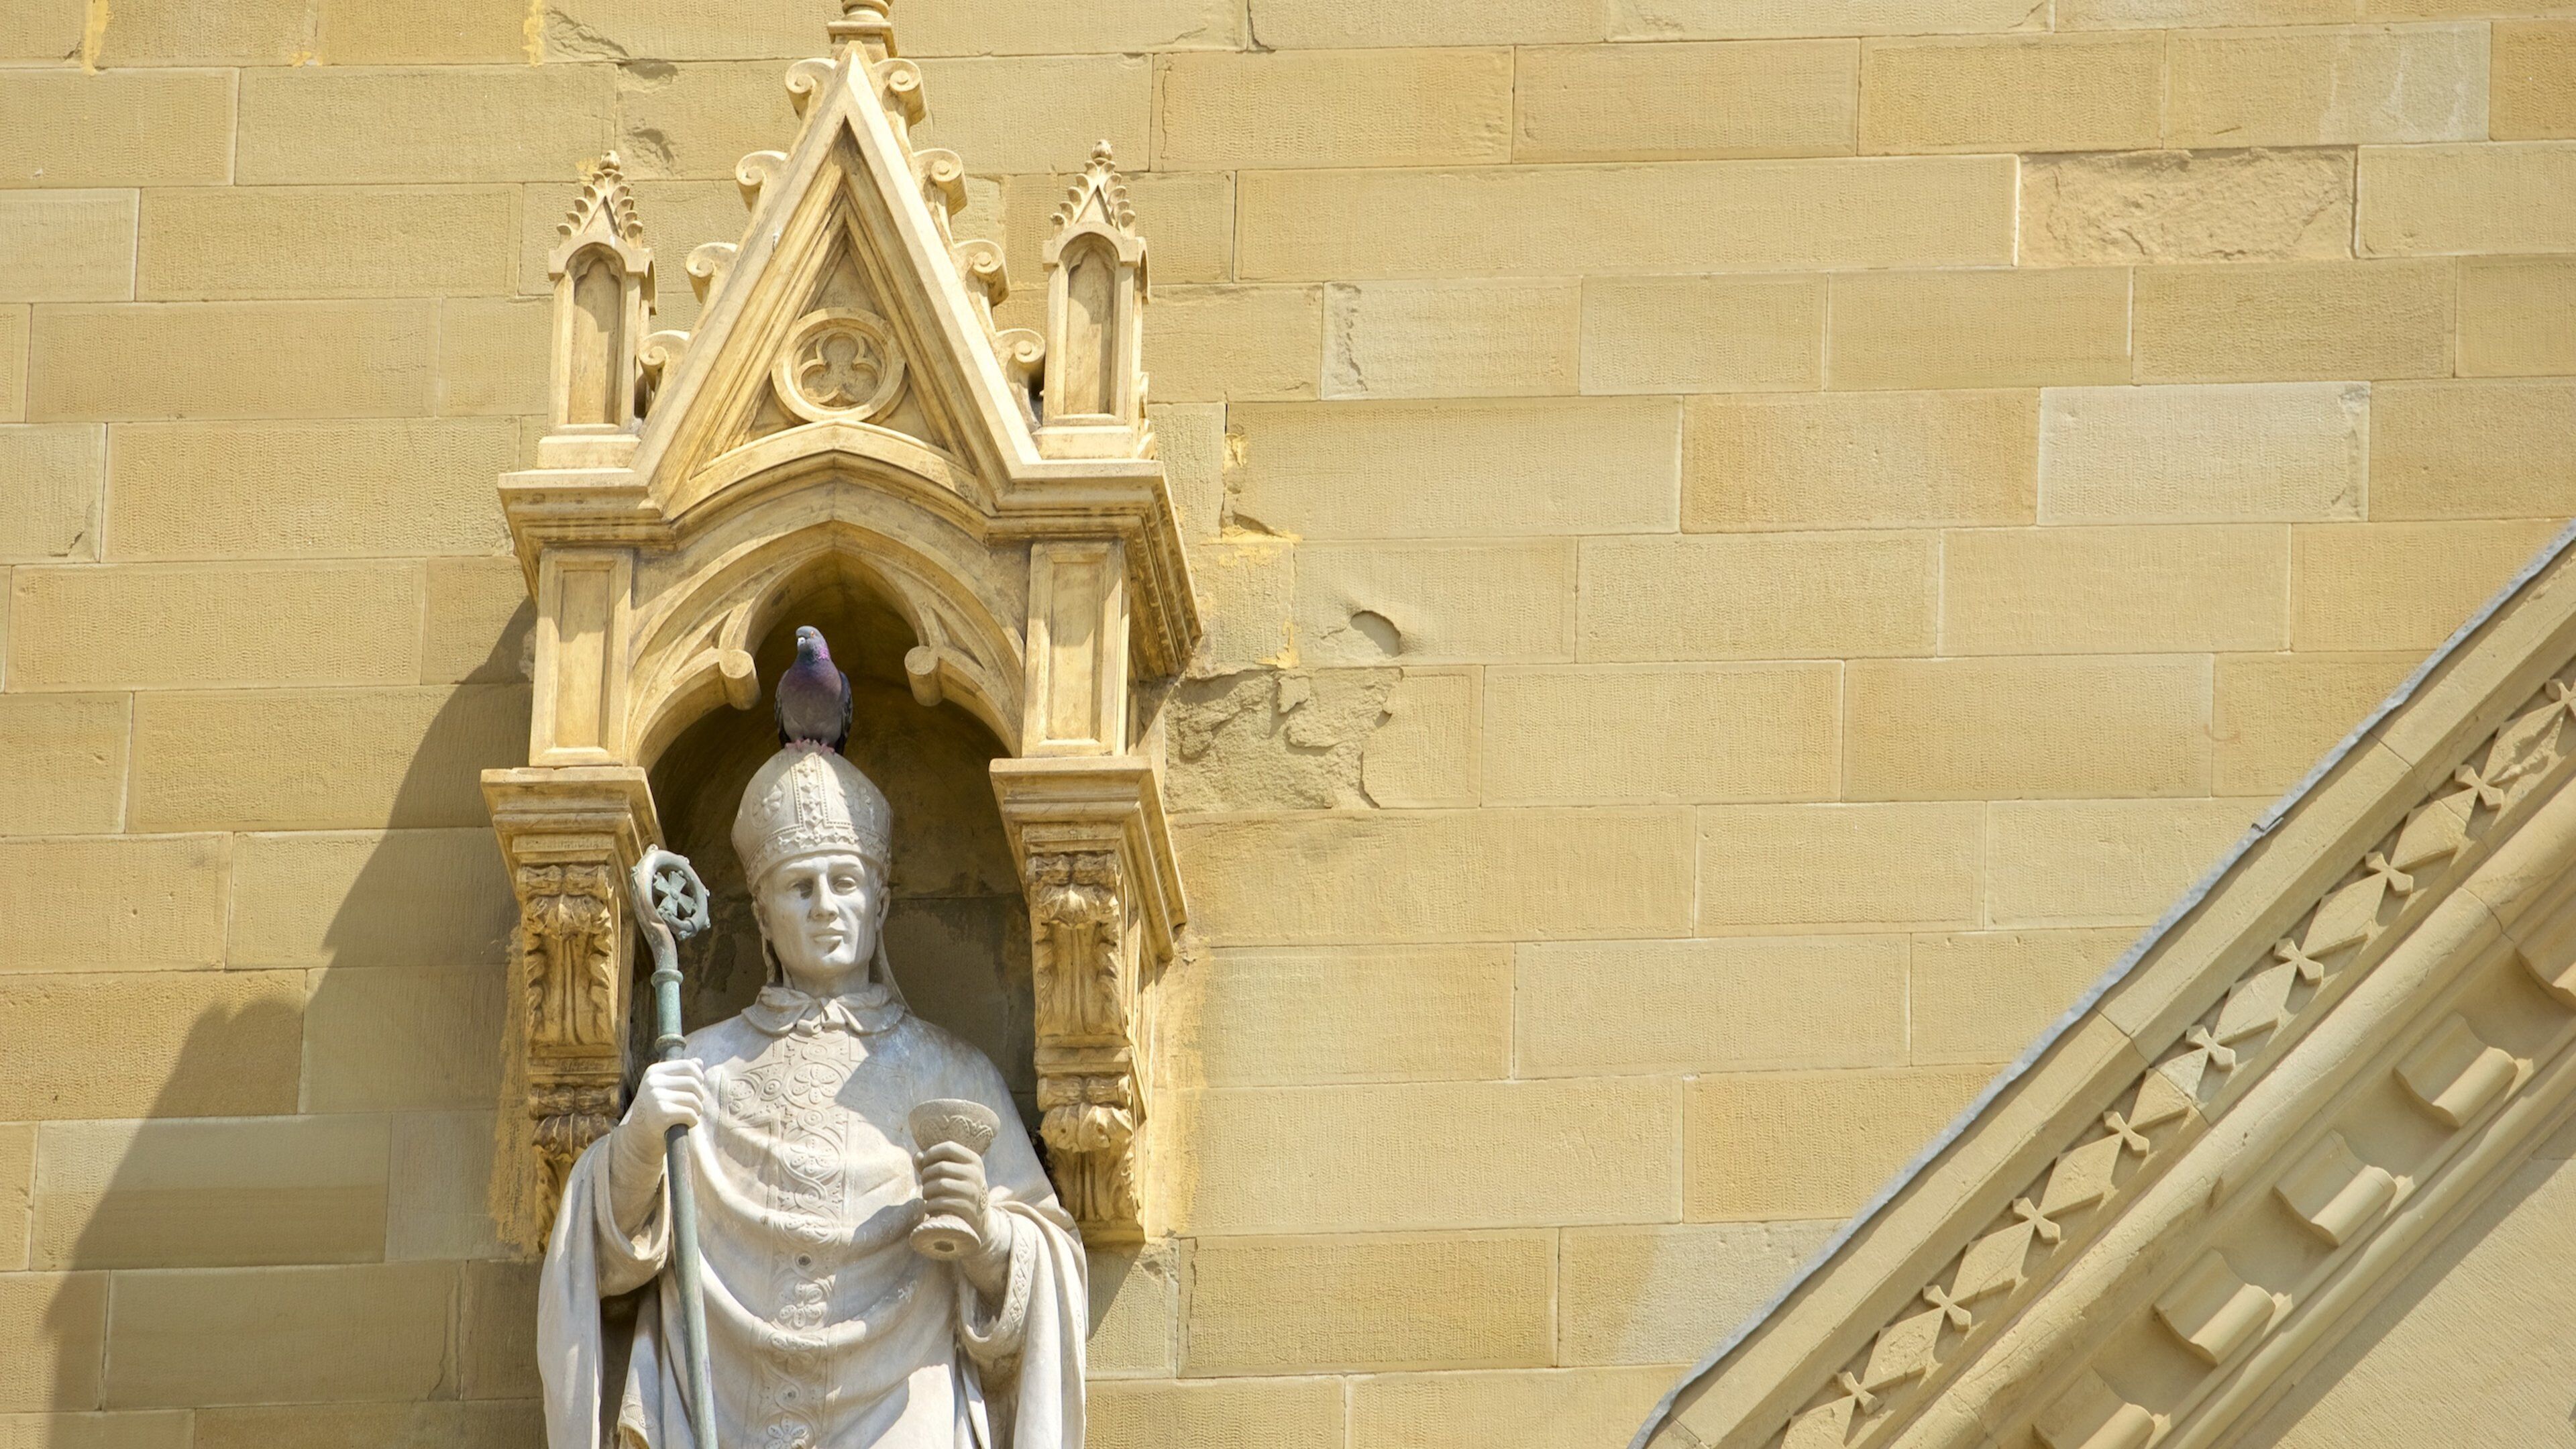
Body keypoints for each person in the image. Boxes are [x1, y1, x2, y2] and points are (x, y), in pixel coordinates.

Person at [539, 744, 1087, 1449]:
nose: (826, 906)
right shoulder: (701, 1067)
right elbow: (606, 1265)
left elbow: (1053, 1262)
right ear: (763, 916)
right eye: (801, 887)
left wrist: (988, 1233)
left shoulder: (952, 1074)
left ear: (880, 904)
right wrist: (640, 1143)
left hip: (903, 1417)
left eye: (846, 883)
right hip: (718, 1411)